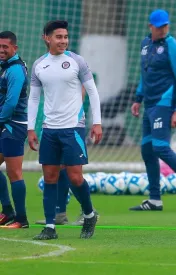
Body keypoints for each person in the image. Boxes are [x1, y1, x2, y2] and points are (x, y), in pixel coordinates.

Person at [28, 20, 102, 240]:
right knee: (50, 177)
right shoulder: (39, 65)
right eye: (58, 37)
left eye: (66, 37)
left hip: (73, 129)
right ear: (46, 38)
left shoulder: (77, 61)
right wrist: (30, 128)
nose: (63, 41)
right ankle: (50, 227)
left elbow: (93, 92)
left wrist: (96, 123)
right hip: (49, 130)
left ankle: (89, 214)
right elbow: (33, 98)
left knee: (75, 177)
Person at [129, 9, 176, 212]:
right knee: (147, 149)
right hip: (149, 104)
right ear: (150, 27)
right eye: (159, 26)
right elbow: (144, 75)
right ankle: (155, 199)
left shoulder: (172, 46)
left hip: (165, 102)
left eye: (166, 25)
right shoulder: (145, 45)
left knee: (161, 147)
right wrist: (138, 98)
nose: (163, 29)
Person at [0, 31, 29, 229]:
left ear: (14, 48)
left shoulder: (16, 70)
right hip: (4, 124)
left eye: (5, 47)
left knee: (15, 173)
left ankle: (21, 219)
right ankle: (8, 212)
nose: (1, 50)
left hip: (13, 125)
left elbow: (11, 102)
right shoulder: (5, 67)